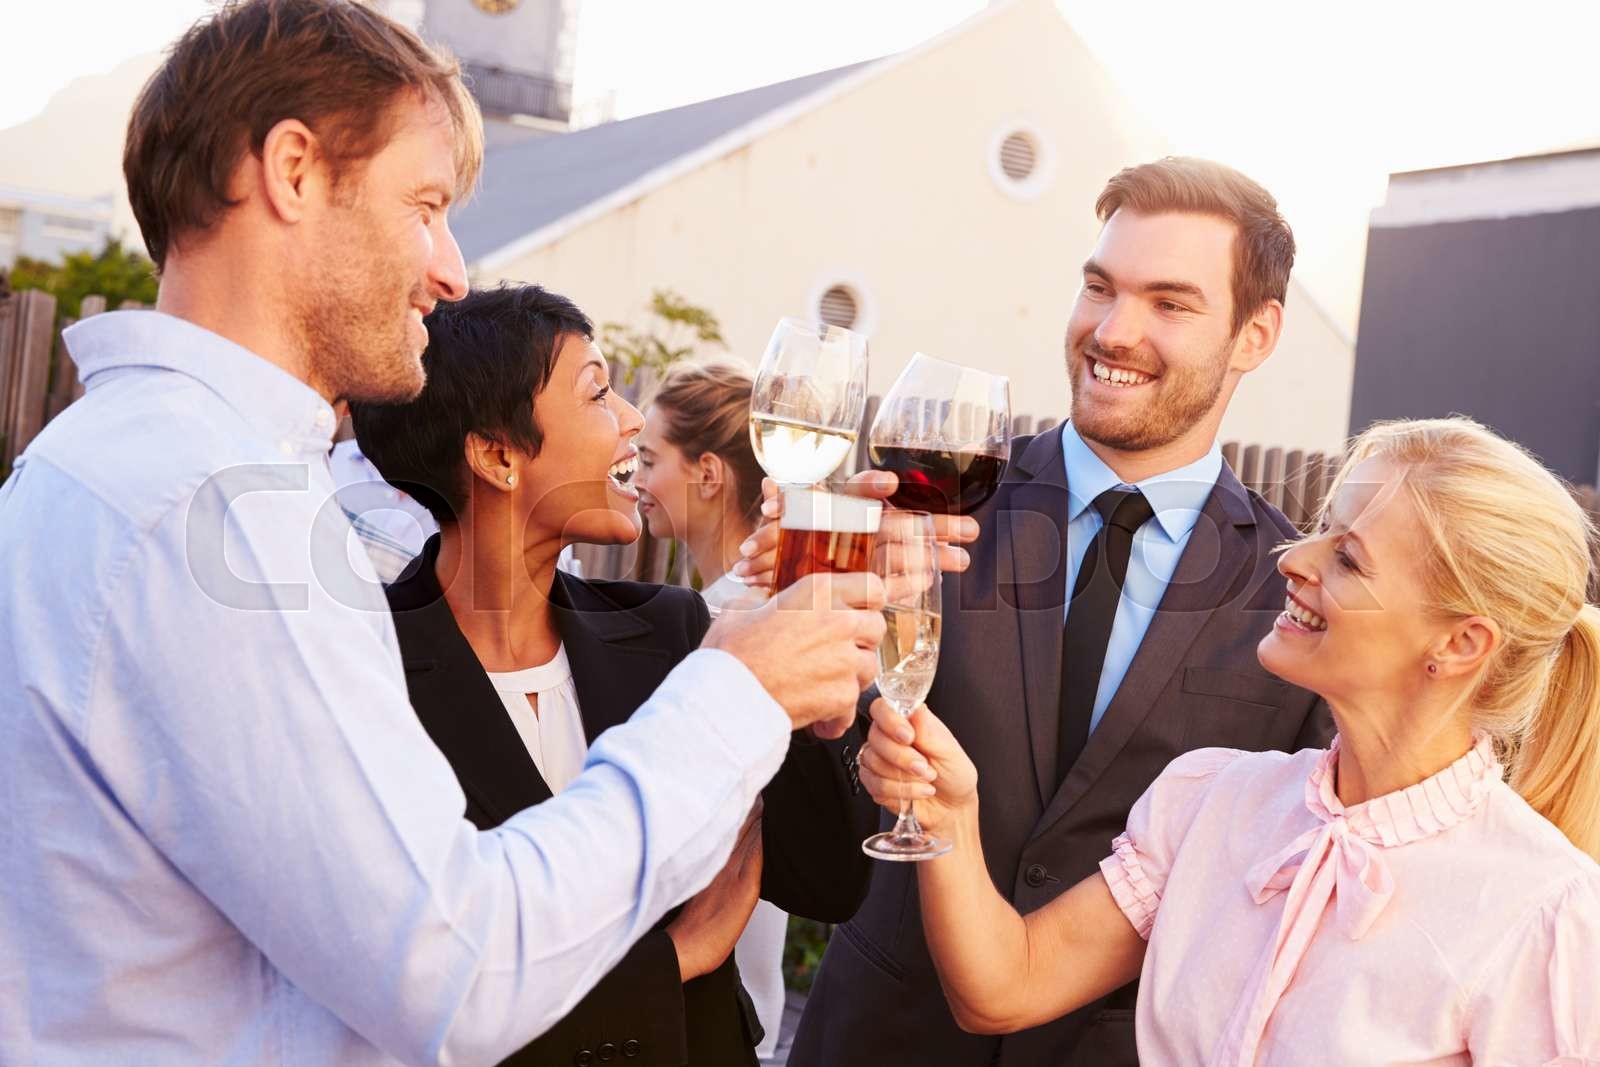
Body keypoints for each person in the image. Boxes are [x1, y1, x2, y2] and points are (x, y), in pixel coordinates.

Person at [0, 4, 885, 1065]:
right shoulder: (220, 509)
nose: (452, 269)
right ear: (292, 171)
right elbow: (455, 964)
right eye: (424, 206)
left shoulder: (92, 464)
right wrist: (735, 689)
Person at [771, 157, 1334, 1066]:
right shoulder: (926, 504)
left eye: (1170, 303)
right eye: (1098, 287)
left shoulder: (1292, 594)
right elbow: (806, 820)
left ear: (1255, 334)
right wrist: (803, 656)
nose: (1113, 331)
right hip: (877, 1037)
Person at [860, 416, 1600, 1064]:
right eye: (1321, 530)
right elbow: (1003, 985)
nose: (1294, 560)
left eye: (1347, 558)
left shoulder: (1544, 915)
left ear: (1462, 642)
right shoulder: (1210, 798)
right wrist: (948, 812)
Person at [353, 286, 877, 1066]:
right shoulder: (366, 676)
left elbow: (829, 882)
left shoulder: (672, 631)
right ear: (498, 454)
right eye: (599, 392)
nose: (633, 419)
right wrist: (672, 962)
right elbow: (417, 988)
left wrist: (808, 684)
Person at [635, 359, 794, 1061]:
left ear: (707, 474)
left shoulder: (722, 623)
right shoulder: (747, 604)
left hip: (711, 1003)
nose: (635, 478)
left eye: (647, 458)